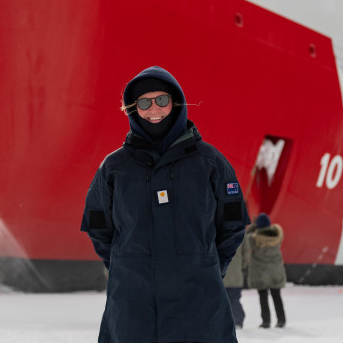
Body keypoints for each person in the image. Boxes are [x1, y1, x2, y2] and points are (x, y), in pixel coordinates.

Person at [81, 65, 250, 343]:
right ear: (133, 109)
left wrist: (205, 265)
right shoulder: (114, 167)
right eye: (144, 103)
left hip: (199, 300)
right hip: (133, 302)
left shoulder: (210, 162)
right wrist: (127, 265)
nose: (154, 109)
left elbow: (232, 223)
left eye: (162, 100)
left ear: (176, 102)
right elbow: (99, 227)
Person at [247, 213, 286, 328]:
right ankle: (281, 320)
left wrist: (253, 227)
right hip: (275, 272)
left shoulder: (254, 239)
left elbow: (246, 237)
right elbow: (280, 233)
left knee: (263, 297)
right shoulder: (277, 237)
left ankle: (266, 321)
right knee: (277, 296)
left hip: (261, 273)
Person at [223, 240, 247, 329]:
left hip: (221, 275)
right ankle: (238, 321)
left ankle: (225, 322)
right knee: (234, 300)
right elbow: (246, 255)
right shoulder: (242, 234)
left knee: (222, 302)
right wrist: (242, 267)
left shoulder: (216, 231)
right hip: (236, 276)